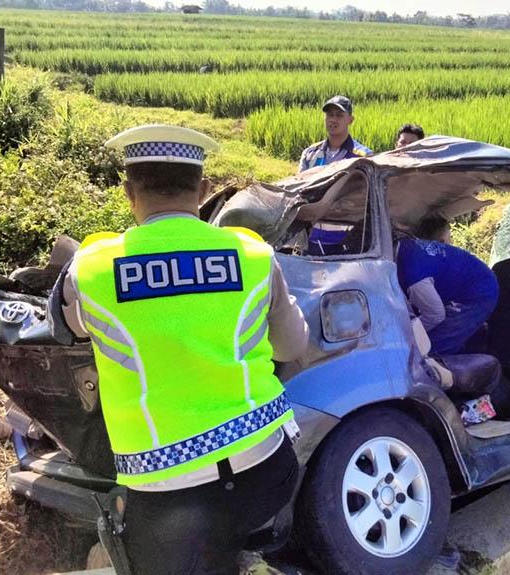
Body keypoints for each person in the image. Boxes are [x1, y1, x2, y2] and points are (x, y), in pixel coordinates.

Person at [50, 124, 309, 575]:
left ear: (129, 192)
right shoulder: (252, 255)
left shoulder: (90, 269)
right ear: (205, 190)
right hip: (267, 469)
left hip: (163, 490)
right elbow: (294, 345)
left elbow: (66, 330)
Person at [396, 217, 499, 356]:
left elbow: (435, 315)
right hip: (463, 285)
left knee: (428, 349)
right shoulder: (405, 247)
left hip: (478, 293)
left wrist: (402, 337)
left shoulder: (413, 272)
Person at [297, 95, 372, 172]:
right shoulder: (310, 154)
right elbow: (300, 182)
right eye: (330, 115)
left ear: (350, 120)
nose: (333, 120)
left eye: (339, 115)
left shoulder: (363, 157)